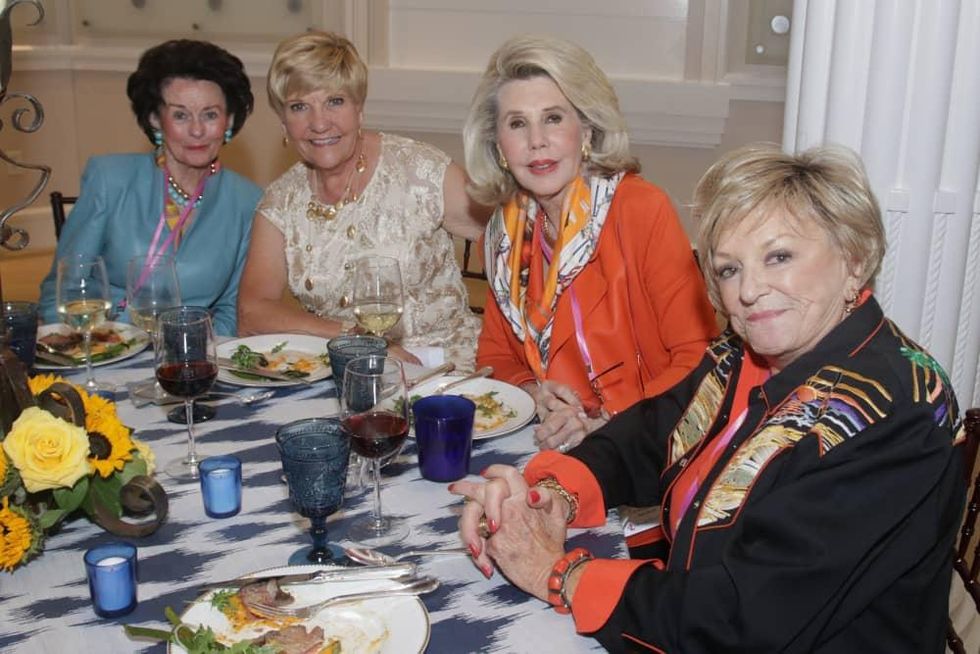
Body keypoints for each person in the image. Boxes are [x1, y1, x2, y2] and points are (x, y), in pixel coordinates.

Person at [452, 144, 966, 653]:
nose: (748, 291)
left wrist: (558, 573)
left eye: (779, 257)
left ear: (853, 259)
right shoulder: (744, 353)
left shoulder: (894, 415)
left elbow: (746, 617)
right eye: (729, 269)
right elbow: (655, 431)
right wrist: (550, 494)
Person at [462, 35, 718, 452]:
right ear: (499, 146)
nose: (536, 140)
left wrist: (609, 423)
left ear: (587, 130)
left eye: (553, 118)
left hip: (649, 445)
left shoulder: (640, 209)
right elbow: (497, 359)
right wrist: (532, 391)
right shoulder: (506, 233)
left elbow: (697, 358)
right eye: (517, 123)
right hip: (548, 440)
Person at [237, 31, 489, 370]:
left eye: (335, 101)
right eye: (300, 107)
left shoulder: (421, 172)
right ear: (283, 121)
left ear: (359, 107)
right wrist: (350, 339)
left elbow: (519, 245)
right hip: (345, 374)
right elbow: (253, 312)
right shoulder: (280, 203)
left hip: (448, 373)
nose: (319, 122)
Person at [38, 40, 261, 337]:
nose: (197, 130)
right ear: (156, 119)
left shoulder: (247, 200)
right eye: (180, 115)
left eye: (210, 114)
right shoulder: (110, 179)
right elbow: (63, 289)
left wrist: (197, 359)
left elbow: (233, 310)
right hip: (105, 348)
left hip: (191, 359)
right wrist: (79, 356)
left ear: (229, 120)